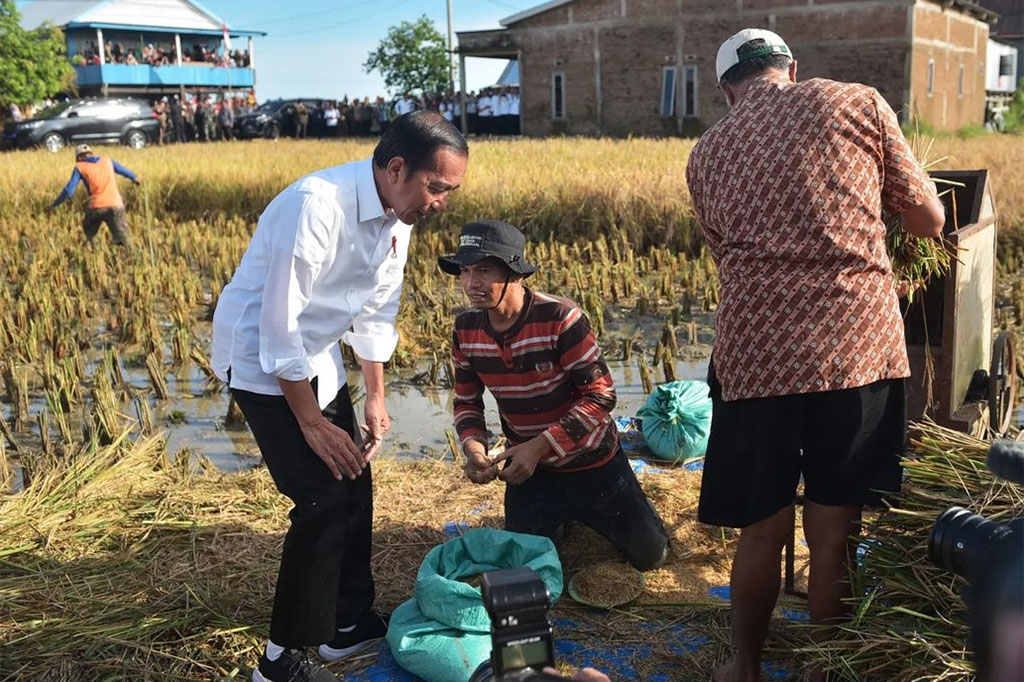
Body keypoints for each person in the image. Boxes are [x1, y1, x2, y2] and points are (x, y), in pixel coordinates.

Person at [685, 29, 946, 682]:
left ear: (727, 91)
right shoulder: (859, 103)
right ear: (791, 70)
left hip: (755, 357)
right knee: (835, 529)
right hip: (854, 347)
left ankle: (744, 665)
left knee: (761, 528)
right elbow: (929, 222)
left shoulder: (706, 152)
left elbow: (727, 251)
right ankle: (827, 670)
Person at [211, 111, 468, 682]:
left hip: (317, 354)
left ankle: (345, 623)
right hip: (260, 361)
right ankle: (281, 660)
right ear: (396, 167)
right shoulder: (315, 205)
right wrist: (309, 423)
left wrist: (374, 398)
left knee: (356, 481)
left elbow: (377, 313)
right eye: (437, 187)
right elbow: (278, 327)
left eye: (450, 191)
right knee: (322, 501)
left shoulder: (398, 219)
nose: (441, 202)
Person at [442, 220, 669, 572]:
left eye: (484, 271)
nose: (471, 283)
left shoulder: (560, 318)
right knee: (528, 566)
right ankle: (561, 516)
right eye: (465, 271)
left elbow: (601, 397)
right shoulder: (466, 329)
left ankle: (622, 511)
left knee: (651, 556)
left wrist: (539, 446)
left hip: (592, 461)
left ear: (516, 273)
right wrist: (474, 449)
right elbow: (466, 400)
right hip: (531, 472)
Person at [46, 143, 141, 247]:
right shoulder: (108, 161)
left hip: (96, 207)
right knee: (122, 236)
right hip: (116, 205)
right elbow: (125, 171)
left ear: (79, 157)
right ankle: (127, 253)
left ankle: (92, 251)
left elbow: (69, 192)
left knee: (89, 233)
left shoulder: (80, 166)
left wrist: (54, 204)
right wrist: (135, 177)